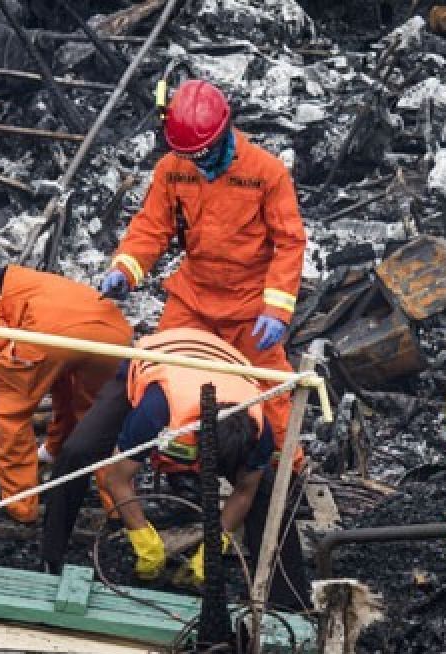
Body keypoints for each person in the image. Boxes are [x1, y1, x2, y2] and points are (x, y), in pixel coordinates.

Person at [98, 79, 306, 465]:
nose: (199, 164)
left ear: (226, 129)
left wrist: (276, 309)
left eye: (204, 154)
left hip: (248, 307)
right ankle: (176, 467)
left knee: (271, 391)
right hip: (194, 298)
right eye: (191, 156)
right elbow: (151, 227)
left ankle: (286, 470)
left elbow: (290, 242)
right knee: (163, 377)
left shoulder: (266, 172)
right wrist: (125, 268)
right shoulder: (173, 168)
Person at [41, 328, 310, 611]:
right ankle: (51, 558)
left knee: (267, 490)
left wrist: (215, 545)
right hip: (156, 357)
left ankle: (285, 603)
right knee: (79, 450)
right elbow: (116, 478)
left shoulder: (259, 431)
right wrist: (143, 538)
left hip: (225, 362)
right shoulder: (156, 410)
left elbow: (245, 491)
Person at [0, 262, 132, 523]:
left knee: (9, 413)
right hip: (114, 335)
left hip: (48, 332)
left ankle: (21, 506)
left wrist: (9, 366)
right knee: (98, 419)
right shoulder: (38, 283)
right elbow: (63, 379)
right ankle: (119, 506)